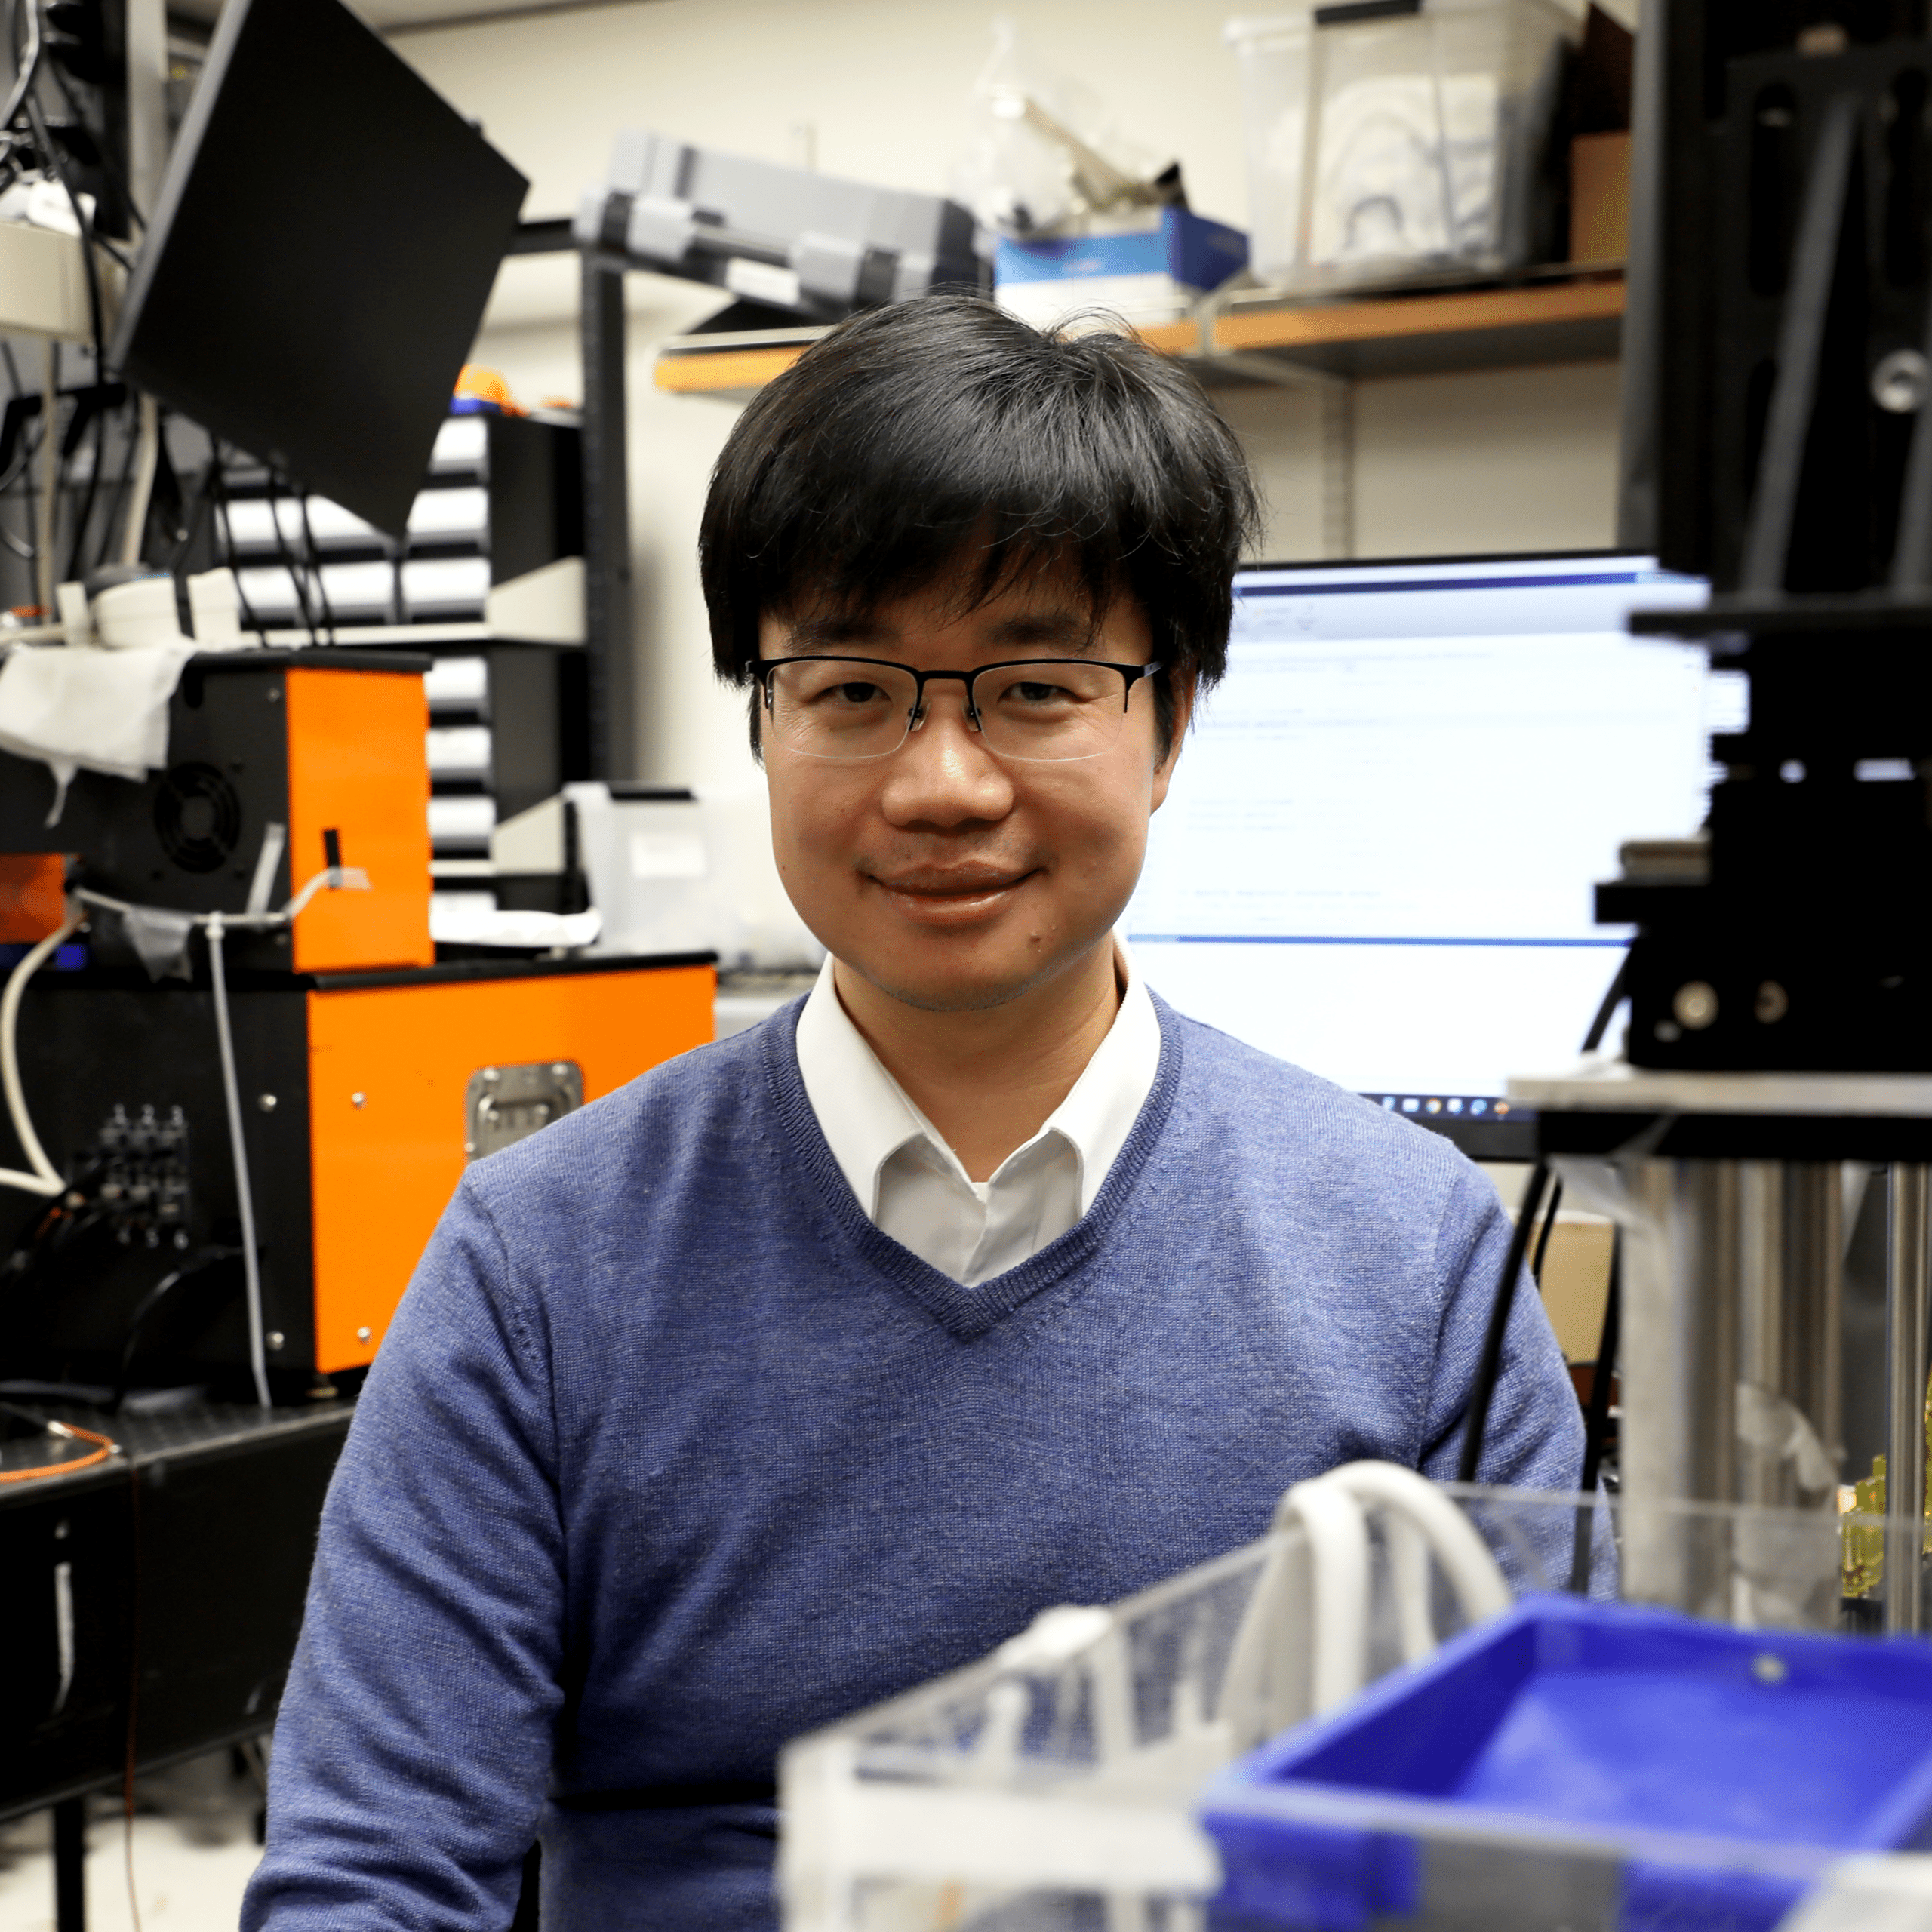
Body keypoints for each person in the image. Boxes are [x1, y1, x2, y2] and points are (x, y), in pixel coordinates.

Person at [242, 296, 1582, 1932]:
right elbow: (368, 1879)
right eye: (855, 687)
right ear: (762, 716)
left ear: (1165, 725)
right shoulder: (541, 1265)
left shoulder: (1411, 1254)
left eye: (1032, 684)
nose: (940, 780)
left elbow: (1524, 1867)